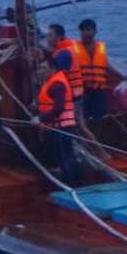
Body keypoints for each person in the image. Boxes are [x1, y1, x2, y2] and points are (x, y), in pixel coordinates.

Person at [38, 49, 81, 183]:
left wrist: (40, 119)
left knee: (66, 158)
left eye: (44, 68)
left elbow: (59, 108)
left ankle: (73, 185)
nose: (40, 71)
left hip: (62, 127)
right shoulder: (51, 82)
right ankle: (71, 182)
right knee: (63, 157)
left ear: (53, 68)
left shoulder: (57, 84)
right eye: (40, 68)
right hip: (56, 127)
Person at [74, 18, 120, 125]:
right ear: (80, 32)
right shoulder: (74, 48)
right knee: (83, 116)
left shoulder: (100, 47)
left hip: (99, 89)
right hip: (82, 89)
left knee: (99, 116)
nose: (87, 33)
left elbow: (107, 66)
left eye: (89, 30)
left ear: (95, 31)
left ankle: (97, 136)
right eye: (84, 30)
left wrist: (121, 76)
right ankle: (85, 138)